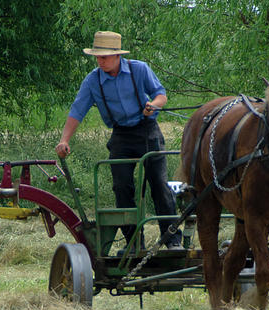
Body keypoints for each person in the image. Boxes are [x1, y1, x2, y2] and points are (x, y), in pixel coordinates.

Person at [56, 31, 183, 250]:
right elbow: (78, 110)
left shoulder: (139, 69)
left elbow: (161, 94)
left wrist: (154, 104)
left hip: (148, 130)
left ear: (118, 56)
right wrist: (64, 140)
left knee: (160, 186)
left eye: (104, 56)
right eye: (97, 56)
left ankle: (171, 240)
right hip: (121, 135)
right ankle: (134, 243)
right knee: (122, 187)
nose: (100, 61)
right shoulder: (93, 80)